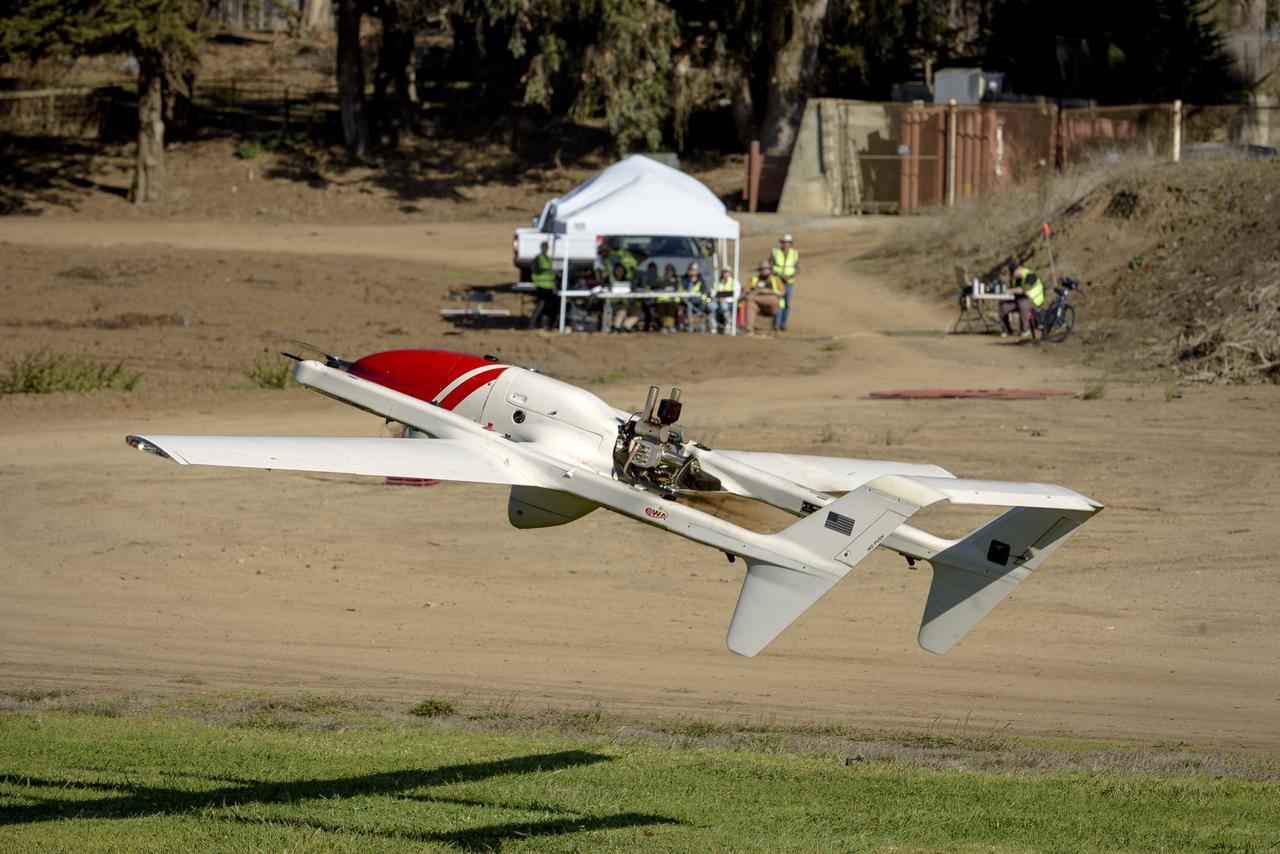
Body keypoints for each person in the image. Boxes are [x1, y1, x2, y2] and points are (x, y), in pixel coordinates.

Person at [1000, 264, 1046, 339]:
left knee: (1023, 304)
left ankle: (1025, 330)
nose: (1015, 275)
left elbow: (1023, 289)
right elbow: (1012, 289)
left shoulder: (1030, 275)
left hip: (1033, 300)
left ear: (1020, 268)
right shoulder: (1015, 279)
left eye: (1015, 273)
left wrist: (1010, 290)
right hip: (1019, 300)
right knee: (1003, 305)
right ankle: (1006, 330)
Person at [743, 261, 784, 334]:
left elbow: (782, 292)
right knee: (750, 304)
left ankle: (753, 298)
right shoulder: (754, 279)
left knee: (771, 299)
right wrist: (758, 291)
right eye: (763, 269)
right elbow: (746, 290)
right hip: (759, 305)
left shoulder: (775, 279)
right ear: (759, 270)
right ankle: (749, 328)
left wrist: (768, 291)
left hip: (772, 304)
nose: (765, 271)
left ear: (770, 270)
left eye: (767, 269)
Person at [770, 233, 800, 331]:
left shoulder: (795, 253)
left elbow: (797, 268)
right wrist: (778, 275)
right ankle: (776, 324)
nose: (785, 244)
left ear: (791, 244)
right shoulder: (775, 252)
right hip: (778, 281)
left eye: (787, 243)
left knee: (786, 303)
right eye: (784, 242)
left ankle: (783, 323)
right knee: (778, 301)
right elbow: (770, 266)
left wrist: (790, 276)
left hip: (789, 281)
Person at [528, 241, 558, 331]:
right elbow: (535, 270)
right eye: (544, 247)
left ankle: (545, 325)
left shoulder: (548, 259)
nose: (545, 249)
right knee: (540, 306)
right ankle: (532, 325)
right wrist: (547, 270)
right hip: (541, 287)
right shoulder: (538, 258)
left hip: (549, 287)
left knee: (547, 307)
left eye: (546, 247)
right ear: (541, 247)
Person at [680, 262, 709, 332]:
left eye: (694, 270)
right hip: (686, 301)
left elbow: (704, 291)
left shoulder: (701, 280)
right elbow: (682, 290)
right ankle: (685, 325)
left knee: (703, 309)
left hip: (698, 302)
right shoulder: (684, 279)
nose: (692, 271)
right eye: (691, 269)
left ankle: (700, 326)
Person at [710, 267, 739, 334]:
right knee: (711, 306)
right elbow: (712, 293)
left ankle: (728, 325)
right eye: (724, 272)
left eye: (727, 272)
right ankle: (713, 325)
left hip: (729, 303)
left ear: (730, 273)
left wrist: (725, 299)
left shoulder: (734, 282)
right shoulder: (717, 282)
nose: (725, 274)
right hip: (717, 301)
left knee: (724, 306)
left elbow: (736, 295)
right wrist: (718, 299)